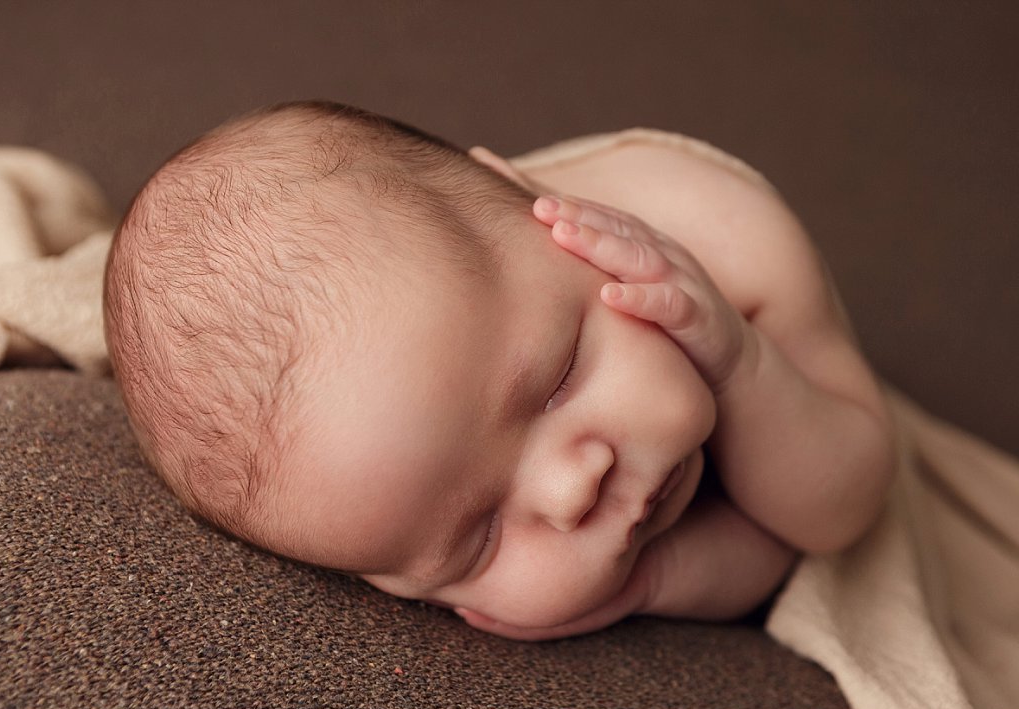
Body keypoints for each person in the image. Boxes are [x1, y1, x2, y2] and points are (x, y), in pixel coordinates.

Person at [104, 100, 896, 641]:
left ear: (531, 196)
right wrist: (654, 582)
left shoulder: (730, 232)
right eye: (476, 542)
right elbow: (778, 557)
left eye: (556, 379)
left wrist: (741, 363)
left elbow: (837, 514)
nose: (569, 491)